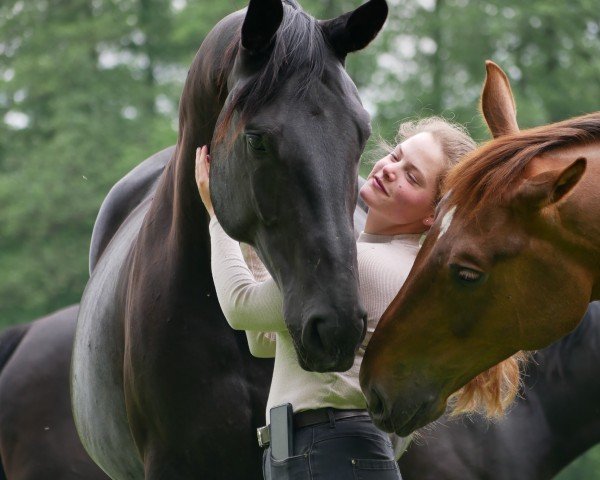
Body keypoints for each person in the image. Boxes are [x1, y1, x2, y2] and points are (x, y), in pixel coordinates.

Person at [195, 117, 476, 479]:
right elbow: (264, 341)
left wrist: (218, 215)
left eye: (412, 176)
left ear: (431, 216)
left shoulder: (361, 264)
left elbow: (240, 306)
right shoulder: (378, 258)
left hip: (325, 450)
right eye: (395, 156)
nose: (391, 170)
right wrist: (258, 230)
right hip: (323, 450)